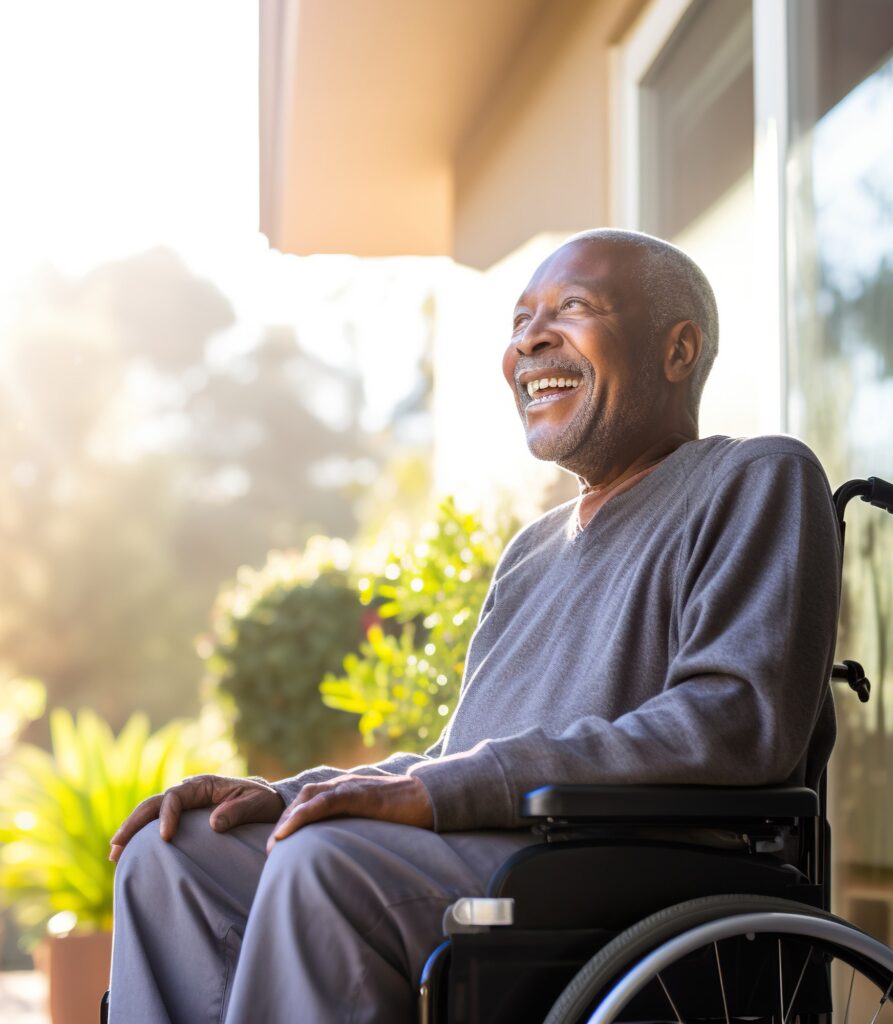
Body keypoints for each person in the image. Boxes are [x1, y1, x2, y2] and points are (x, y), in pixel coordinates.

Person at [107, 229, 841, 1023]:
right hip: (507, 848)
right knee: (171, 857)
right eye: (520, 320)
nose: (529, 340)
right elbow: (452, 760)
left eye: (572, 308)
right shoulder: (530, 554)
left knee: (323, 864)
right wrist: (285, 795)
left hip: (623, 865)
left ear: (679, 349)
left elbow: (735, 723)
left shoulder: (755, 479)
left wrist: (449, 790)